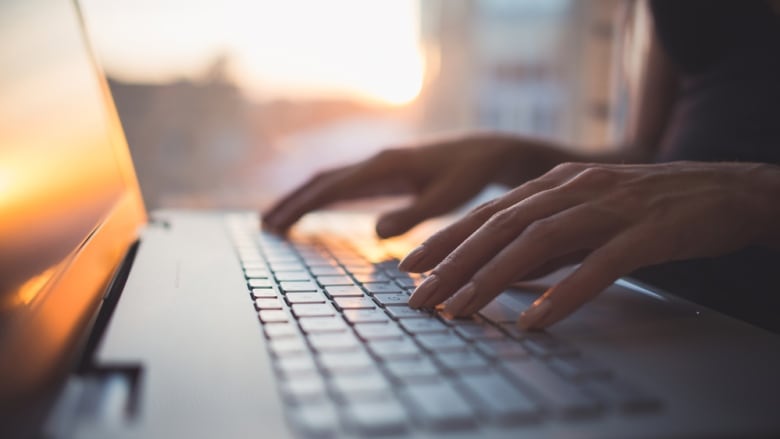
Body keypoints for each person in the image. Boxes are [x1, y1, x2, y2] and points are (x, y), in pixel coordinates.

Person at [263, 0, 780, 332]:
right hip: (649, 308)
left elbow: (704, 185)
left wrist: (754, 194)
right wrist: (513, 155)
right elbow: (651, 158)